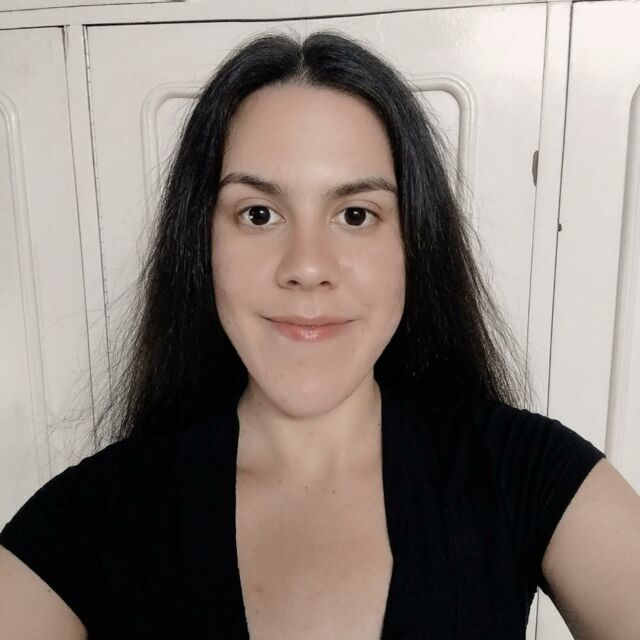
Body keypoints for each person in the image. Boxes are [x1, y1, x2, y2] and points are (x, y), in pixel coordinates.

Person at [1, 29, 639, 640]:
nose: (307, 266)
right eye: (259, 214)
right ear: (201, 245)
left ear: (414, 245)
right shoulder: (90, 516)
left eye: (356, 215)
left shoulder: (524, 470)